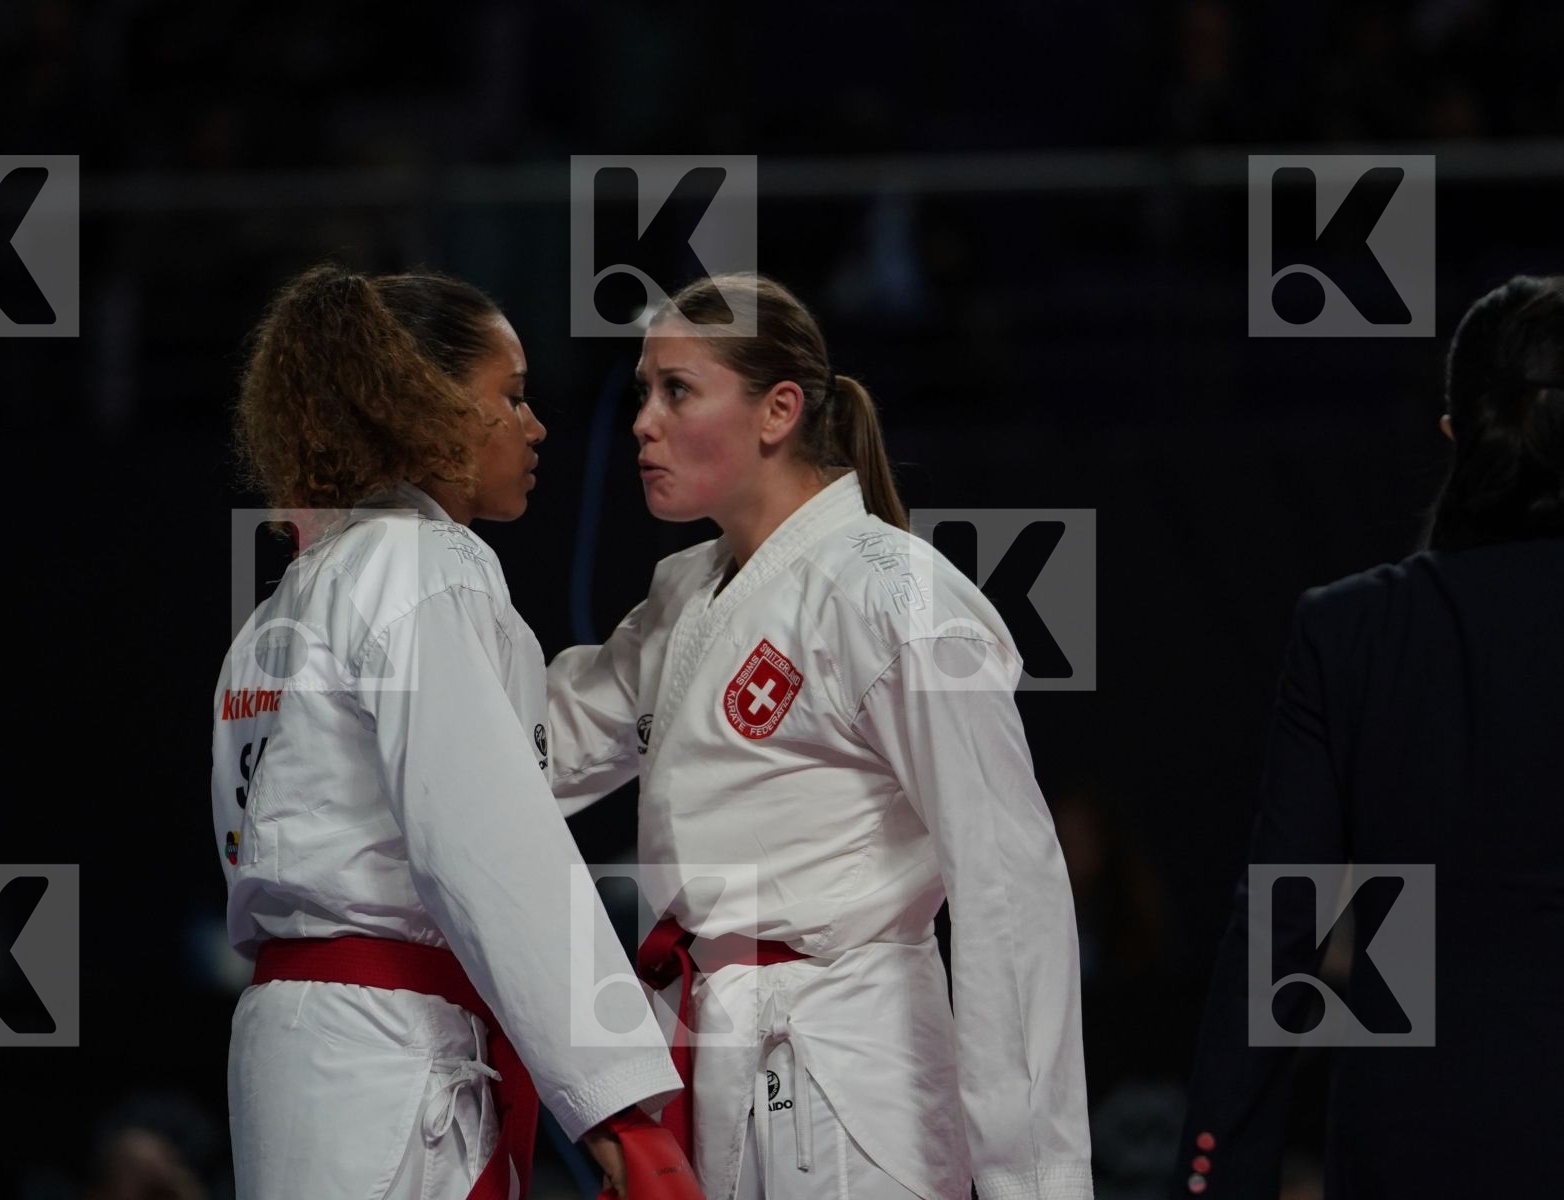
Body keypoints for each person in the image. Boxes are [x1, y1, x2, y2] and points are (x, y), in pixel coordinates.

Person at [545, 273, 1094, 1200]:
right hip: (715, 1051)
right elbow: (535, 748)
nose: (644, 421)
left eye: (677, 390)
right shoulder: (687, 592)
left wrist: (1035, 1181)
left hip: (853, 1064)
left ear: (778, 412)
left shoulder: (897, 595)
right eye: (643, 391)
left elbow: (1010, 892)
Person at [212, 265, 688, 1200]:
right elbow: (489, 844)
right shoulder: (424, 565)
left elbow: (498, 764)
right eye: (510, 397)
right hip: (389, 1051)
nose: (534, 424)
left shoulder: (288, 603)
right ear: (421, 406)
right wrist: (618, 1106)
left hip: (308, 1045)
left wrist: (678, 650)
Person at [1174, 274, 1564, 1197]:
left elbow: (1283, 926)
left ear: (1453, 439)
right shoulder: (1354, 631)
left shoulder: (1354, 630)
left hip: (1417, 1140)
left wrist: (1213, 1173)